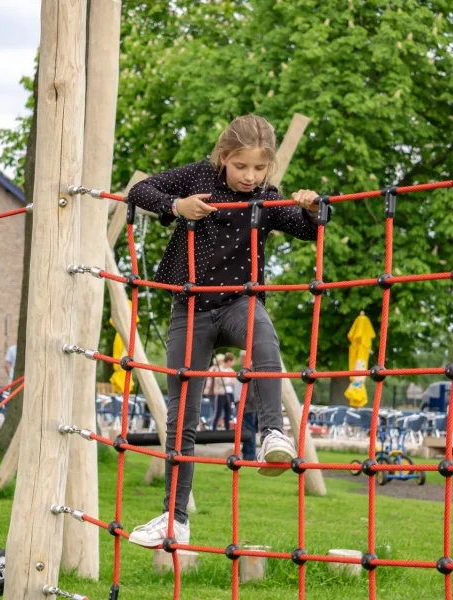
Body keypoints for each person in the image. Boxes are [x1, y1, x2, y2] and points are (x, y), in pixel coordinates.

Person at [127, 114, 324, 547]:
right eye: (241, 167)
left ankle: (273, 432)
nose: (250, 177)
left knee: (265, 341)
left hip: (239, 301)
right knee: (181, 417)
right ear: (223, 158)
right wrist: (176, 207)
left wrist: (312, 206)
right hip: (191, 307)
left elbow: (308, 228)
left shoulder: (267, 200)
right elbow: (140, 190)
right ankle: (174, 518)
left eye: (259, 168)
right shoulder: (199, 174)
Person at [233, 350, 259, 461]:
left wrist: (240, 403)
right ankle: (247, 452)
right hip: (251, 404)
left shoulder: (247, 370)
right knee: (248, 430)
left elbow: (241, 390)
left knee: (248, 430)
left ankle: (249, 454)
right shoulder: (254, 370)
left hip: (247, 404)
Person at [204, 352, 236, 431]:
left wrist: (227, 381)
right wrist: (228, 381)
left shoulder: (231, 370)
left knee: (228, 412)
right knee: (218, 412)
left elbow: (234, 382)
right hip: (220, 393)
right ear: (229, 361)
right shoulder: (219, 369)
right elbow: (219, 381)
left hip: (229, 393)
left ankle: (227, 429)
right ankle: (213, 428)